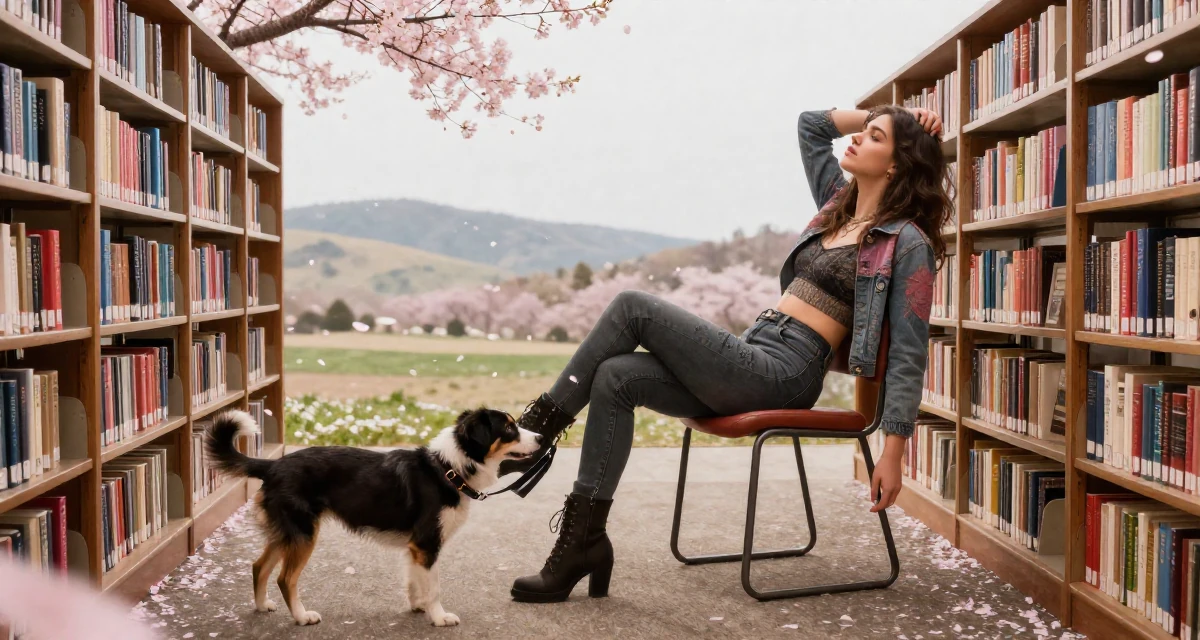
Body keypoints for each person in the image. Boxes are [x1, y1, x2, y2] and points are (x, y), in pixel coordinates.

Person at [500, 104, 953, 603]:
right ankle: (582, 542)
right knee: (615, 375)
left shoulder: (906, 242)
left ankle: (534, 433)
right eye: (863, 132)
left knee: (632, 306)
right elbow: (811, 126)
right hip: (755, 348)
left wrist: (893, 451)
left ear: (896, 164)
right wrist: (886, 114)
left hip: (787, 372)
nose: (858, 139)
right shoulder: (836, 205)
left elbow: (908, 353)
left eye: (874, 137)